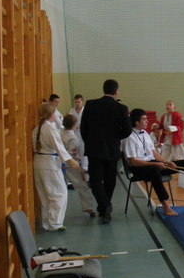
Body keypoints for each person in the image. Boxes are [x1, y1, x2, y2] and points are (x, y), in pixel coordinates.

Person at [124, 109, 184, 215]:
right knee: (154, 170)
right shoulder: (129, 137)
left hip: (152, 164)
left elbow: (154, 153)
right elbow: (133, 162)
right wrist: (155, 164)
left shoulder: (145, 133)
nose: (147, 121)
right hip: (138, 168)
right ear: (136, 122)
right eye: (144, 119)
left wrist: (167, 162)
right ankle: (165, 206)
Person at [80, 78, 132, 224]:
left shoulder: (90, 105)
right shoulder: (121, 108)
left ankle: (104, 207)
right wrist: (115, 138)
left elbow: (83, 128)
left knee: (95, 181)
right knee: (110, 180)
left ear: (103, 89)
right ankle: (106, 207)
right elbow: (127, 131)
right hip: (112, 149)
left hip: (94, 149)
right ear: (116, 92)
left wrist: (90, 141)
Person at [32, 103, 82, 231]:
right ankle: (55, 223)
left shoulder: (37, 128)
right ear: (52, 115)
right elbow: (58, 146)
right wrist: (70, 160)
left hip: (38, 162)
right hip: (49, 164)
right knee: (60, 193)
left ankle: (47, 223)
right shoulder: (49, 128)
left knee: (45, 195)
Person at [60, 114, 97, 216]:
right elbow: (70, 152)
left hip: (59, 164)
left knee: (60, 188)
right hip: (71, 164)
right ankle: (88, 207)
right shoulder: (72, 137)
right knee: (82, 186)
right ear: (74, 125)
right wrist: (76, 156)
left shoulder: (60, 133)